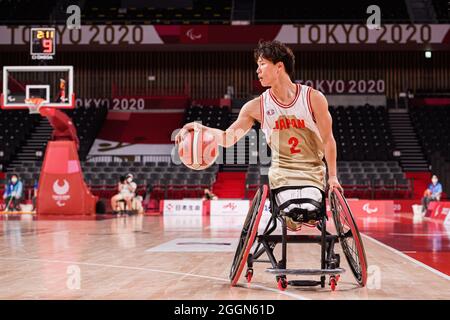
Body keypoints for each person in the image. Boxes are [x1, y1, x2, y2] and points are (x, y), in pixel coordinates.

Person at [176, 40, 342, 231]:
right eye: (257, 66)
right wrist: (201, 128)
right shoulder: (256, 107)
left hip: (312, 171)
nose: (257, 70)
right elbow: (229, 137)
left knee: (311, 213)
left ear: (279, 66)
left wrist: (333, 177)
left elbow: (329, 139)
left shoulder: (313, 98)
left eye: (262, 64)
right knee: (292, 216)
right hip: (283, 174)